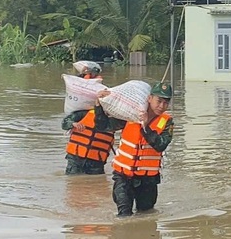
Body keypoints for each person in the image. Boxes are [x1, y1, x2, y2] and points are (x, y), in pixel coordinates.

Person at [98, 82, 174, 217]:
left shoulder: (166, 122)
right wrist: (98, 106)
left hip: (148, 180)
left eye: (166, 103)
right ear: (149, 98)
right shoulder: (130, 115)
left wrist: (145, 126)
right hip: (123, 176)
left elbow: (160, 145)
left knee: (146, 214)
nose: (162, 106)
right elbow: (104, 126)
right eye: (159, 101)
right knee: (123, 215)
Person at [62, 105, 115, 175]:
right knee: (73, 181)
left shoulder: (115, 120)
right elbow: (64, 123)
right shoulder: (83, 114)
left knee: (95, 183)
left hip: (97, 161)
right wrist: (72, 124)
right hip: (76, 158)